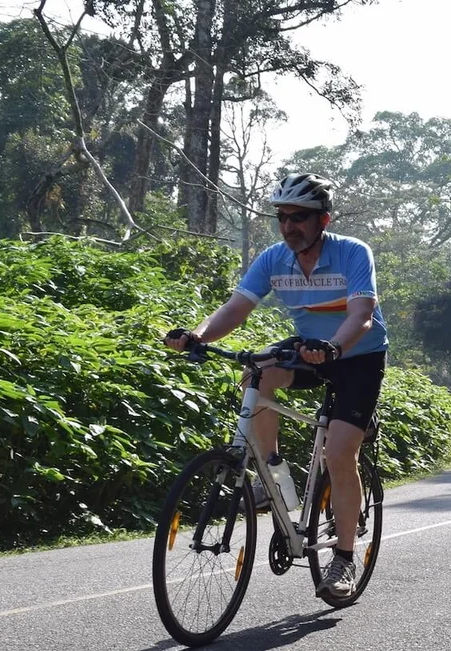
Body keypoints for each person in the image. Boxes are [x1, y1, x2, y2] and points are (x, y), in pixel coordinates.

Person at [163, 172, 389, 602]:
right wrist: (197, 335)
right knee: (256, 371)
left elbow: (360, 315)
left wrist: (335, 348)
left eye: (299, 218)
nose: (288, 227)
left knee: (338, 453)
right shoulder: (272, 259)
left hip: (357, 354)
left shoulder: (352, 253)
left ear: (323, 220)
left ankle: (343, 558)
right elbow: (235, 309)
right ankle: (272, 474)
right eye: (282, 218)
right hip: (308, 350)